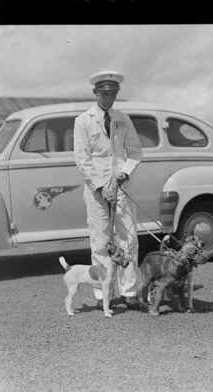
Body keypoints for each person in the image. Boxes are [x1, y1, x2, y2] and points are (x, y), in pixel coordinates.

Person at [74, 71, 142, 309]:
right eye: (104, 93)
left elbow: (134, 151)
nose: (109, 98)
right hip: (97, 190)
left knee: (129, 238)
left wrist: (123, 173)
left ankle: (130, 292)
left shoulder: (123, 118)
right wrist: (101, 187)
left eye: (113, 93)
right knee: (101, 241)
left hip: (122, 187)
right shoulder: (83, 120)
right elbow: (82, 159)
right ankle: (103, 293)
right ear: (96, 93)